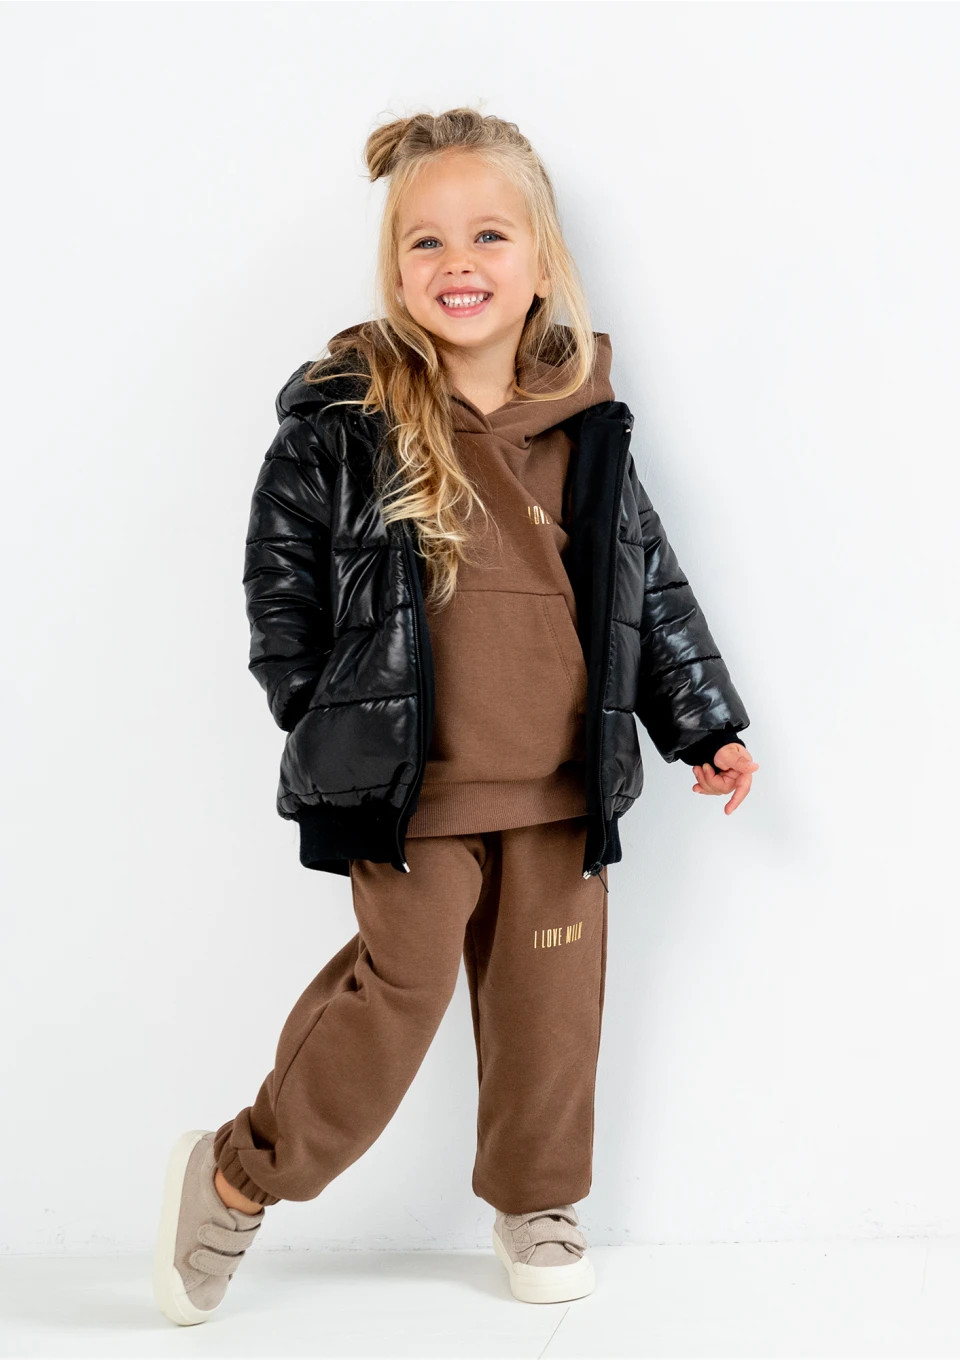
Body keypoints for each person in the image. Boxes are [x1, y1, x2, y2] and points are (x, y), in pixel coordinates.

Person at [152, 106, 759, 1326]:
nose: (457, 262)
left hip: (560, 783)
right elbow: (281, 588)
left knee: (549, 1009)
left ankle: (538, 1202)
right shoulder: (343, 423)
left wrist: (704, 722)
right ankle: (238, 1172)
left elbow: (649, 584)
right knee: (401, 992)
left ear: (541, 262)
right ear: (394, 271)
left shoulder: (588, 425)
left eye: (489, 235)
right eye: (424, 241)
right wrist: (320, 707)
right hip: (410, 786)